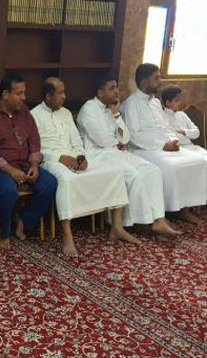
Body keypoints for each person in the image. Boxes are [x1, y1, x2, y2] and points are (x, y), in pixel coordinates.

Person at [31, 77, 138, 257]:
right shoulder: (33, 115)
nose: (65, 96)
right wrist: (60, 158)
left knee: (115, 172)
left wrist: (81, 157)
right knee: (66, 180)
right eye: (60, 93)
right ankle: (68, 237)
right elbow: (35, 149)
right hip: (51, 161)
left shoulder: (66, 113)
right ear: (48, 96)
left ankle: (117, 227)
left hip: (75, 158)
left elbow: (76, 140)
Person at [77, 75, 181, 237]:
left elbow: (126, 138)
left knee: (152, 170)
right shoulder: (88, 109)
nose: (117, 91)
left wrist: (116, 116)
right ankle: (141, 222)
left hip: (115, 151)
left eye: (117, 87)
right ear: (100, 92)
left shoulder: (111, 110)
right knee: (133, 175)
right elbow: (102, 140)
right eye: (112, 88)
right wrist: (116, 141)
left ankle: (158, 220)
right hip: (97, 155)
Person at [121, 63, 207, 225]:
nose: (160, 81)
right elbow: (133, 136)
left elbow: (164, 127)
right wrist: (162, 146)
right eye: (156, 78)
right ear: (144, 82)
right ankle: (164, 212)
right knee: (171, 167)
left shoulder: (156, 102)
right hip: (144, 149)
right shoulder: (130, 104)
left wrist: (172, 140)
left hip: (165, 145)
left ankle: (184, 210)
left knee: (197, 161)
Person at [0, 74, 58, 248]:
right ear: (5, 94)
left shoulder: (25, 113)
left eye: (24, 92)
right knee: (8, 190)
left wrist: (34, 165)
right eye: (19, 93)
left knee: (50, 183)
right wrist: (10, 171)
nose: (24, 97)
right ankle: (4, 233)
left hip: (25, 165)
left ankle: (24, 221)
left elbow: (34, 141)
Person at [161, 84, 207, 202]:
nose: (180, 103)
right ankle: (193, 199)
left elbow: (196, 132)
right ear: (167, 102)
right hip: (178, 151)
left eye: (180, 100)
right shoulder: (161, 117)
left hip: (192, 147)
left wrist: (185, 132)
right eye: (176, 100)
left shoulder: (182, 115)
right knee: (198, 164)